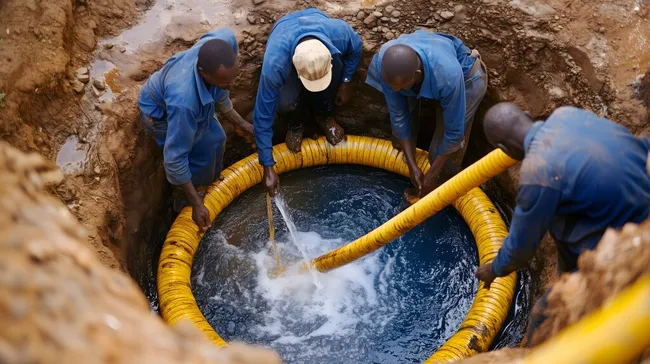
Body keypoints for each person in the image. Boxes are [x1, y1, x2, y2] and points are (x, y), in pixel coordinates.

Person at [474, 103, 650, 342]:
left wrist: (493, 269)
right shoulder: (567, 114)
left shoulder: (538, 174)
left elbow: (521, 249)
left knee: (544, 317)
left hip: (630, 235)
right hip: (641, 185)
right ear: (527, 115)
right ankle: (567, 271)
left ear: (503, 148)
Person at [138, 28, 253, 232]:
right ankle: (185, 198)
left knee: (216, 139)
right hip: (161, 115)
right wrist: (197, 205)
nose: (232, 85)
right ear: (203, 74)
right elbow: (175, 158)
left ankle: (208, 183)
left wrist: (242, 124)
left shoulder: (224, 41)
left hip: (191, 98)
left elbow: (220, 91)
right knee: (198, 152)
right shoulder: (184, 103)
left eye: (234, 77)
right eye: (225, 82)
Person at [253, 8, 363, 196]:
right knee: (286, 101)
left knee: (337, 71)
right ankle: (295, 125)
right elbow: (262, 117)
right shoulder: (276, 64)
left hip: (317, 21)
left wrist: (345, 81)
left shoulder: (339, 35)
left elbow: (356, 49)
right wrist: (268, 166)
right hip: (284, 31)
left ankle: (324, 116)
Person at [366, 30, 488, 198]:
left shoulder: (448, 75)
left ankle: (443, 189)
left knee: (440, 154)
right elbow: (399, 116)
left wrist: (433, 175)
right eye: (392, 86)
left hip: (467, 80)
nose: (394, 91)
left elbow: (453, 133)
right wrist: (411, 165)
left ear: (417, 75)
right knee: (400, 138)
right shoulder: (387, 63)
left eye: (400, 87)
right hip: (429, 73)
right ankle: (417, 171)